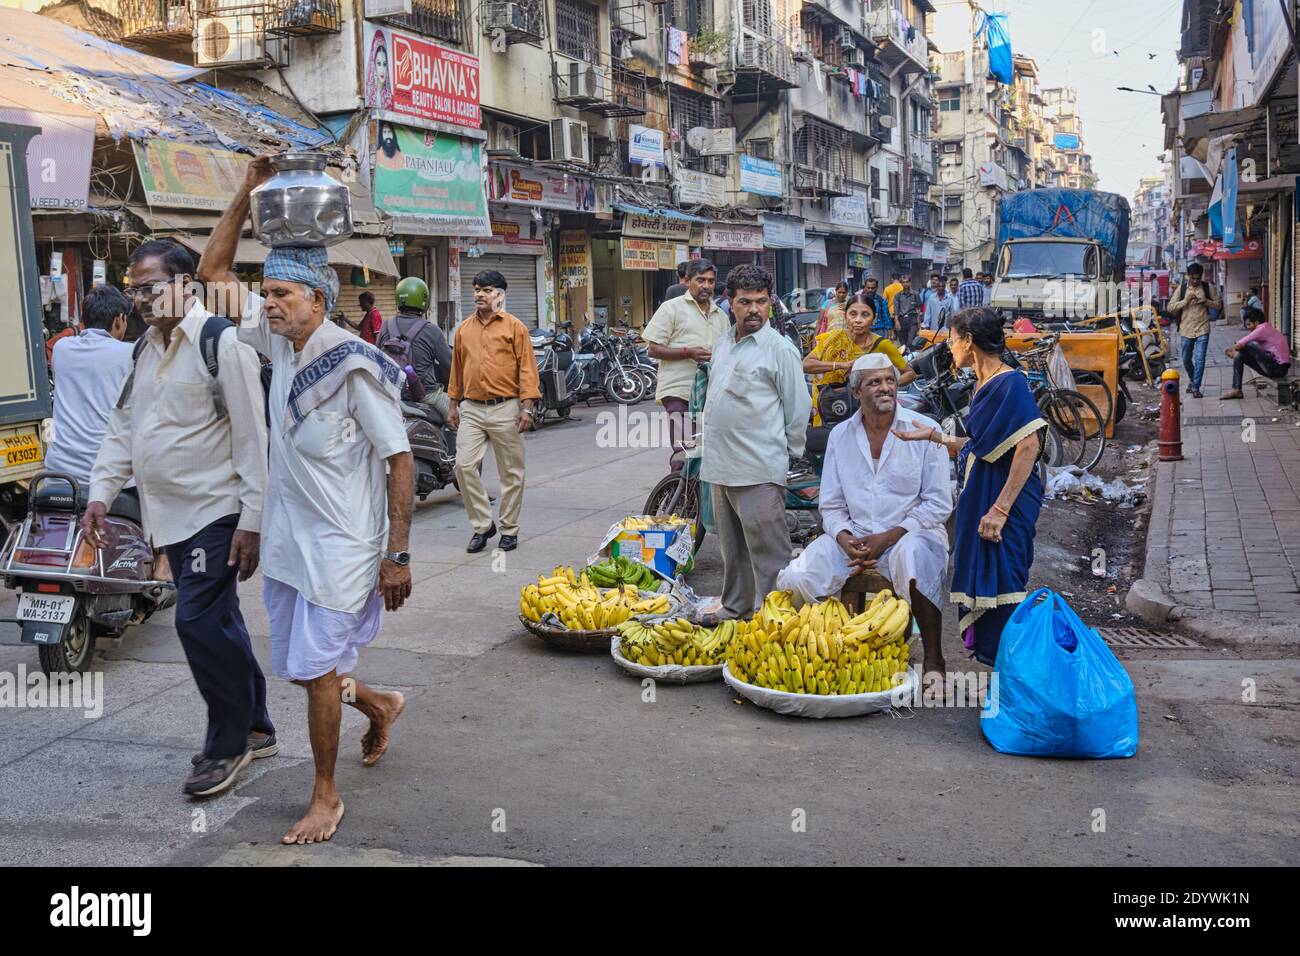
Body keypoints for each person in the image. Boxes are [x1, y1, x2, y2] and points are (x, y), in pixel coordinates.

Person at [200, 157, 415, 845]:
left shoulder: (355, 363)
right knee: (303, 670)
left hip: (347, 548)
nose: (270, 304)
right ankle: (379, 704)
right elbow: (210, 275)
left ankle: (325, 796)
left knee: (318, 673)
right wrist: (243, 191)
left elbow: (400, 459)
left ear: (319, 299)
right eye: (266, 294)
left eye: (284, 294)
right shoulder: (278, 343)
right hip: (293, 540)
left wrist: (398, 554)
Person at [84, 239, 273, 799]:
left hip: (215, 510)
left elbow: (251, 437)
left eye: (150, 286)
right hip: (166, 514)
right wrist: (100, 493)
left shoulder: (223, 344)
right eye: (135, 288)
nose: (141, 298)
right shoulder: (144, 348)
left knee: (195, 622)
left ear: (186, 283)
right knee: (221, 621)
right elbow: (124, 428)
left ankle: (226, 744)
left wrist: (253, 519)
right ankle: (257, 723)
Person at [777, 352, 952, 675]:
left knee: (916, 563)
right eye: (874, 382)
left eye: (890, 380)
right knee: (795, 578)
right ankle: (820, 651)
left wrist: (888, 538)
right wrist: (844, 539)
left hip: (910, 535)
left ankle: (933, 661)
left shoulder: (924, 429)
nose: (885, 388)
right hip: (854, 537)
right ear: (857, 392)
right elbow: (830, 504)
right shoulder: (841, 436)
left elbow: (938, 503)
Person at [894, 307, 1045, 667]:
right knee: (993, 591)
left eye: (952, 338)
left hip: (1003, 503)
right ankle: (1004, 680)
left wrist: (1000, 509)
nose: (949, 345)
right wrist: (931, 436)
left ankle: (1014, 684)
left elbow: (1029, 446)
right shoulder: (983, 382)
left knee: (1005, 590)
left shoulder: (1010, 383)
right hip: (983, 495)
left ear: (969, 341)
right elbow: (982, 446)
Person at [698, 264, 811, 622]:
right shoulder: (724, 342)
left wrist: (787, 456)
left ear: (771, 304)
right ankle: (736, 608)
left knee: (771, 557)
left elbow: (798, 409)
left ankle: (783, 624)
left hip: (758, 468)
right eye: (745, 301)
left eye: (761, 302)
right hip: (720, 466)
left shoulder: (779, 350)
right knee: (733, 553)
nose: (754, 310)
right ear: (729, 302)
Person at [447, 269, 541, 553]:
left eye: (486, 290)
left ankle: (509, 529)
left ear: (499, 295)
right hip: (472, 408)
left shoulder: (515, 327)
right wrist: (453, 404)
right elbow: (457, 370)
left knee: (511, 473)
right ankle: (483, 526)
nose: (479, 294)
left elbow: (527, 370)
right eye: (476, 289)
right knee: (463, 466)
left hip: (507, 408)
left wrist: (527, 407)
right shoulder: (464, 329)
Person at [643, 258, 730, 472]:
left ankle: (700, 501)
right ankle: (680, 500)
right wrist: (687, 352)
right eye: (700, 280)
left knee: (709, 453)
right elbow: (653, 348)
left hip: (710, 393)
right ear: (688, 281)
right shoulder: (671, 308)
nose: (706, 286)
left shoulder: (721, 315)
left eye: (710, 281)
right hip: (679, 391)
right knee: (684, 451)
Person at [44, 285, 134, 489]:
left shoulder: (62, 348)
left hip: (58, 473)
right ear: (119, 319)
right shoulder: (130, 353)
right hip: (108, 478)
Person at [804, 290, 915, 427]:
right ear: (845, 316)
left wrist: (882, 387)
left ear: (874, 318)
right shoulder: (833, 338)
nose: (858, 320)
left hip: (863, 410)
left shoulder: (882, 345)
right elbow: (806, 365)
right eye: (852, 314)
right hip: (829, 405)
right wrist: (841, 365)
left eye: (865, 315)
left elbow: (909, 373)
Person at [377, 276, 453, 419]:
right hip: (426, 395)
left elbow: (377, 355)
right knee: (459, 422)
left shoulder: (386, 325)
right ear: (424, 300)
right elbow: (449, 365)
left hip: (391, 392)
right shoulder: (432, 330)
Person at [1166, 262, 1220, 398]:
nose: (1195, 281)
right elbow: (1170, 307)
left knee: (1200, 359)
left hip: (1203, 328)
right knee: (1186, 359)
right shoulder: (1182, 289)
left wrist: (1206, 301)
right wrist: (1185, 301)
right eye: (1193, 278)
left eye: (1198, 278)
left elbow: (1218, 305)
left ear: (1201, 276)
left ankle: (1196, 387)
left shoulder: (1208, 287)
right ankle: (1192, 379)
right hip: (1186, 328)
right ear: (1188, 276)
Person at [1221, 307, 1292, 400]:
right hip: (1275, 368)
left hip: (1277, 369)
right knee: (1240, 356)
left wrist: (1234, 350)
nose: (1248, 327)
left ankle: (1236, 386)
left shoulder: (1262, 329)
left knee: (1248, 345)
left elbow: (1240, 344)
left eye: (1249, 324)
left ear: (1257, 323)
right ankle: (1236, 389)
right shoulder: (1267, 327)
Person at [892, 275, 923, 346]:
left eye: (907, 282)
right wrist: (896, 321)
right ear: (901, 283)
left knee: (911, 342)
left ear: (910, 283)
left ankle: (911, 355)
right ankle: (905, 356)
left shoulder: (915, 294)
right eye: (903, 282)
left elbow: (918, 308)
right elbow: (896, 310)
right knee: (903, 344)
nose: (905, 284)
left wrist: (919, 323)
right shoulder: (898, 295)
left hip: (912, 320)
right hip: (901, 320)